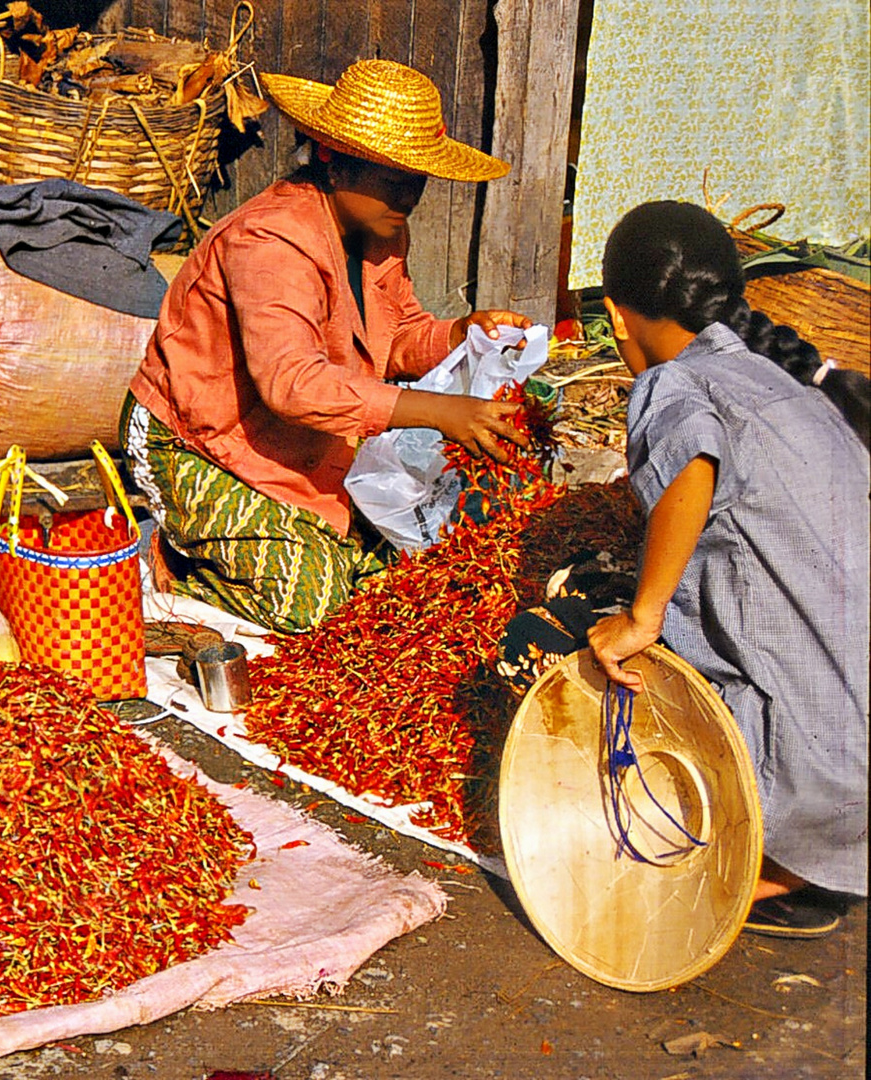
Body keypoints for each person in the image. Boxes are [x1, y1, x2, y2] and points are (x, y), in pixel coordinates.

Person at [523, 201, 869, 937]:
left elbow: (694, 465)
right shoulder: (780, 380)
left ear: (616, 319)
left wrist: (642, 616)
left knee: (554, 644)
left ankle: (773, 863)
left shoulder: (675, 387)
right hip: (856, 743)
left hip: (826, 774)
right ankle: (810, 861)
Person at [124, 59, 532, 632]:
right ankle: (165, 556)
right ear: (333, 162)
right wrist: (438, 412)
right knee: (310, 608)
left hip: (304, 438)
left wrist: (459, 335)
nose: (409, 195)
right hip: (201, 438)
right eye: (393, 177)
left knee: (392, 578)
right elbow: (291, 382)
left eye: (416, 178)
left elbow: (394, 340)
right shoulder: (271, 239)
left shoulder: (382, 229)